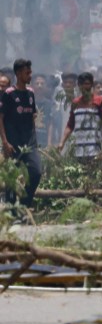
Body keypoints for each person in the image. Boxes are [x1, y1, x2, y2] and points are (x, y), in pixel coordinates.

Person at [0, 58, 42, 211]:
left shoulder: (31, 93)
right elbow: (1, 118)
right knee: (11, 179)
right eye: (27, 72)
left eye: (30, 72)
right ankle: (12, 213)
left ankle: (24, 204)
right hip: (12, 144)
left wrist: (34, 139)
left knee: (36, 172)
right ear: (18, 73)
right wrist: (5, 142)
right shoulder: (9, 94)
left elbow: (32, 117)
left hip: (29, 144)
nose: (30, 75)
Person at [58, 72, 102, 159]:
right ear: (78, 85)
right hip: (79, 150)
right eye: (82, 84)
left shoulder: (100, 101)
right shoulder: (75, 103)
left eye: (87, 84)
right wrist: (62, 142)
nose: (84, 87)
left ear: (92, 85)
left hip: (96, 149)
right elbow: (70, 125)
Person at [32, 74, 55, 148]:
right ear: (32, 86)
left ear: (46, 86)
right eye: (37, 83)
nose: (39, 86)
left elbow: (50, 124)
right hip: (30, 141)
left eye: (42, 84)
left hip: (44, 140)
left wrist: (49, 143)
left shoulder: (49, 104)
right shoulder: (28, 102)